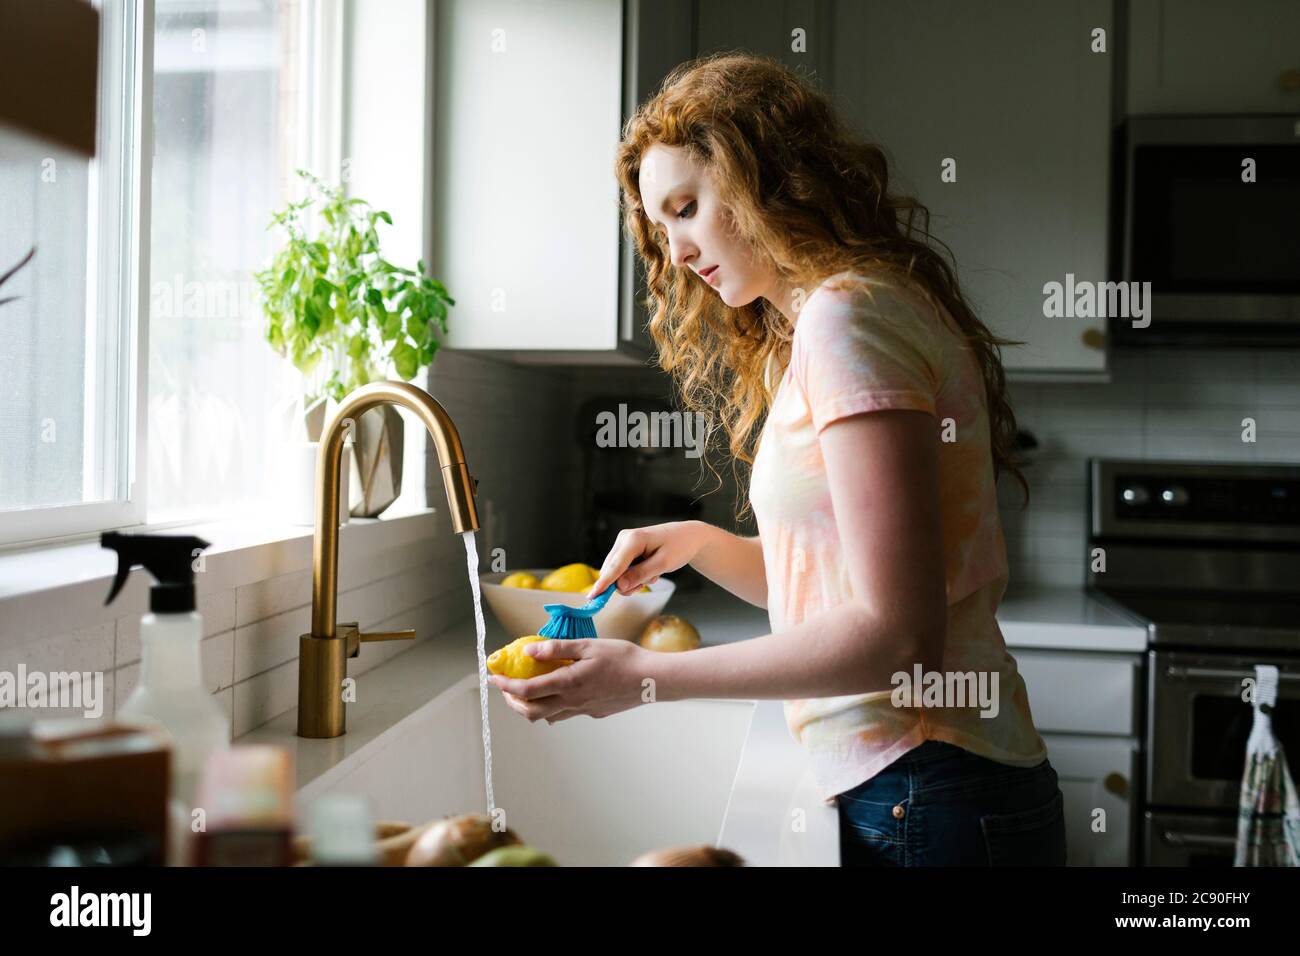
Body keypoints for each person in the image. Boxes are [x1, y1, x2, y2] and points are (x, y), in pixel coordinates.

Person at [487, 53, 1066, 867]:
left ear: (766, 177)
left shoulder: (848, 320)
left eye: (687, 207)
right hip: (931, 789)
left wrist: (644, 676)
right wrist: (698, 543)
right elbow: (841, 587)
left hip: (928, 789)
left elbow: (897, 637)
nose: (679, 250)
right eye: (661, 228)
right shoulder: (852, 315)